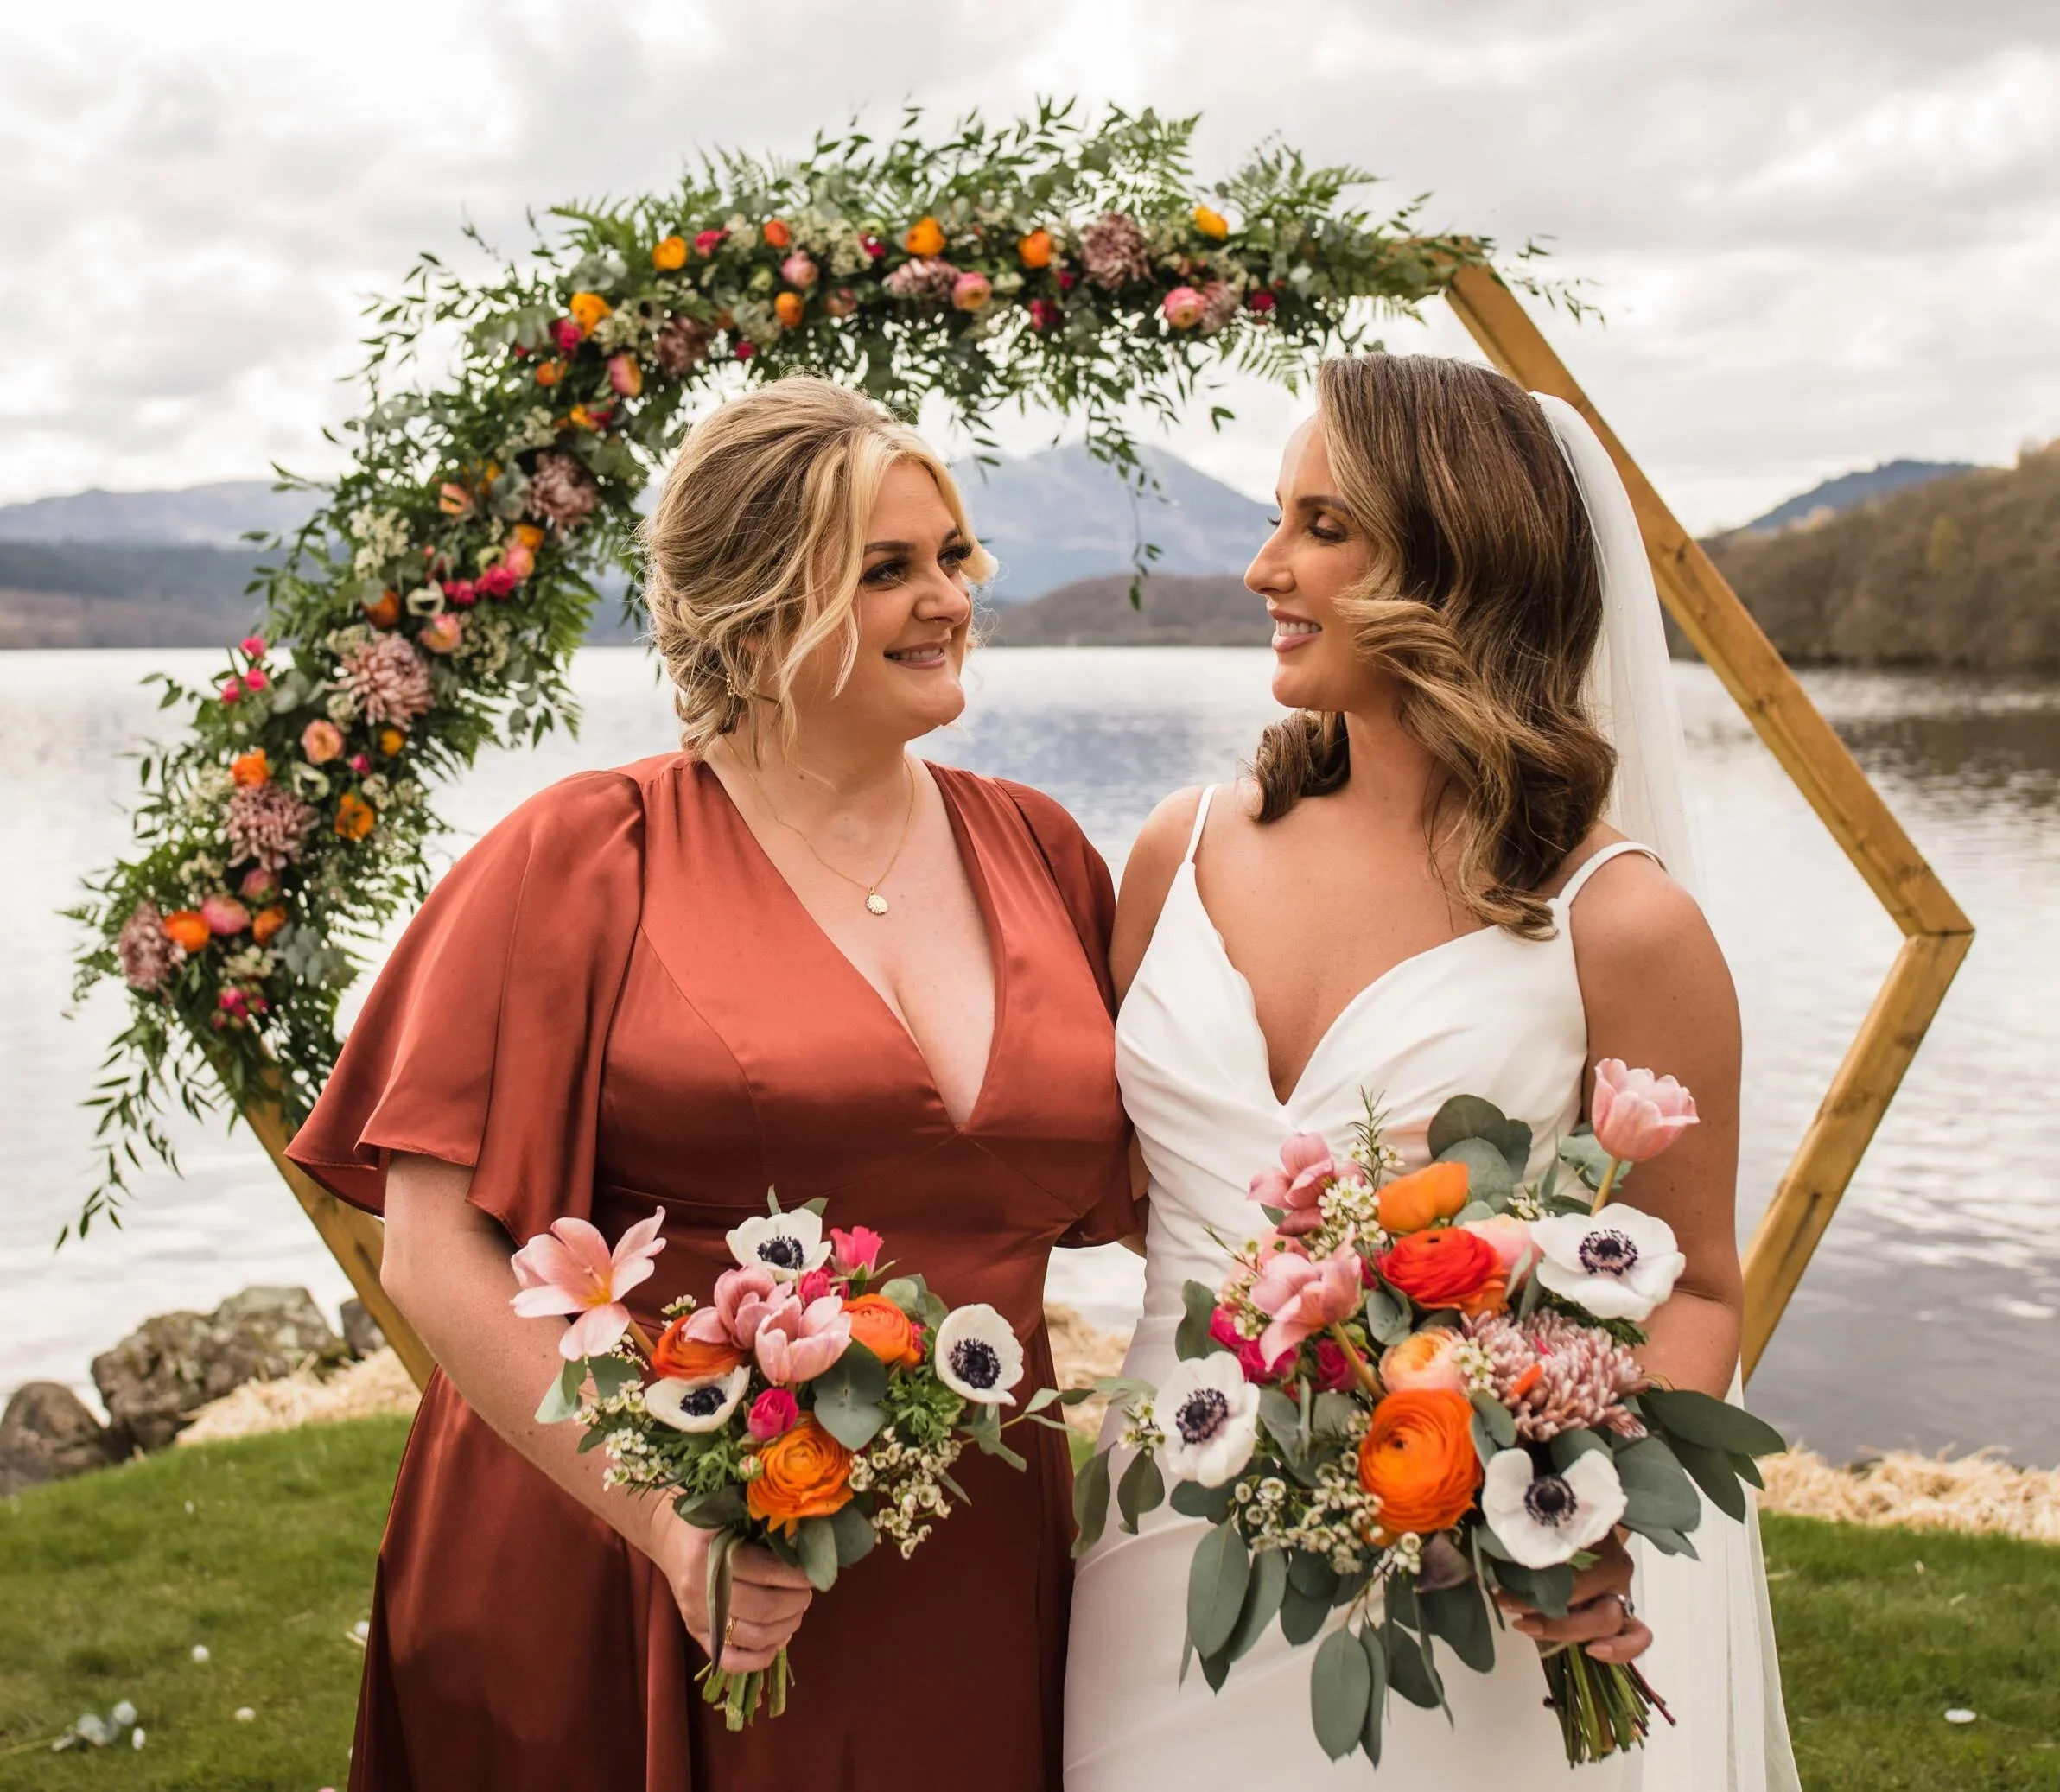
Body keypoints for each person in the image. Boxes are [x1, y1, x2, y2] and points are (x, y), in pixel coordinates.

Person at [289, 375, 1135, 1791]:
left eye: (952, 557)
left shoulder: (1042, 852)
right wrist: (674, 1521)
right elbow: (436, 1249)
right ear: (756, 609)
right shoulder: (582, 854)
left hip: (967, 1547)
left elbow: (1176, 1168)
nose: (949, 598)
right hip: (625, 1544)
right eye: (886, 570)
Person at [1065, 353, 1797, 1790]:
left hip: (1453, 1597)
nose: (1267, 565)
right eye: (1282, 517)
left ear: (1460, 561)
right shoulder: (1180, 847)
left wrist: (1575, 1509)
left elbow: (1700, 1281)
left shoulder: (1622, 924)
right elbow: (1101, 1184)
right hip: (1153, 1554)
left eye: (1324, 526)